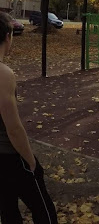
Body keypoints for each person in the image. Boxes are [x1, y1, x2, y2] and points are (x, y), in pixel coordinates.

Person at [0, 12, 58, 223]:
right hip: (10, 156)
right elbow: (13, 128)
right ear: (8, 37)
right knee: (44, 210)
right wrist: (31, 161)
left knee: (8, 209)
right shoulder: (3, 74)